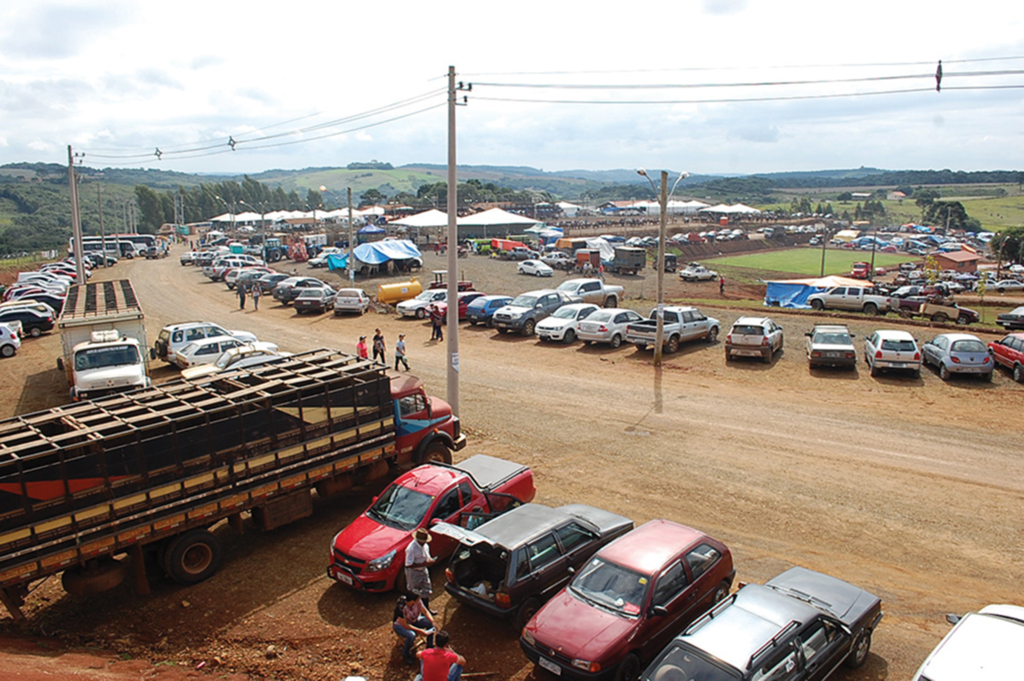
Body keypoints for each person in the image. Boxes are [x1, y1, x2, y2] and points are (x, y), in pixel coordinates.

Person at [393, 593, 435, 666]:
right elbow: (405, 625)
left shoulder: (417, 601)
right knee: (411, 635)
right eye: (413, 603)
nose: (415, 604)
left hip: (414, 620)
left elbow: (425, 611)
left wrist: (433, 622)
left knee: (429, 624)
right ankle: (406, 654)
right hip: (400, 625)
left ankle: (429, 646)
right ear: (409, 601)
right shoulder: (401, 608)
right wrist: (420, 630)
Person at [405, 528, 436, 613]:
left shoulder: (425, 546)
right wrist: (424, 564)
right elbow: (408, 564)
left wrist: (431, 560)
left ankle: (426, 610)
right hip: (413, 572)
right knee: (413, 592)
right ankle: (412, 612)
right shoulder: (411, 548)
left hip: (423, 570)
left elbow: (427, 557)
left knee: (427, 589)